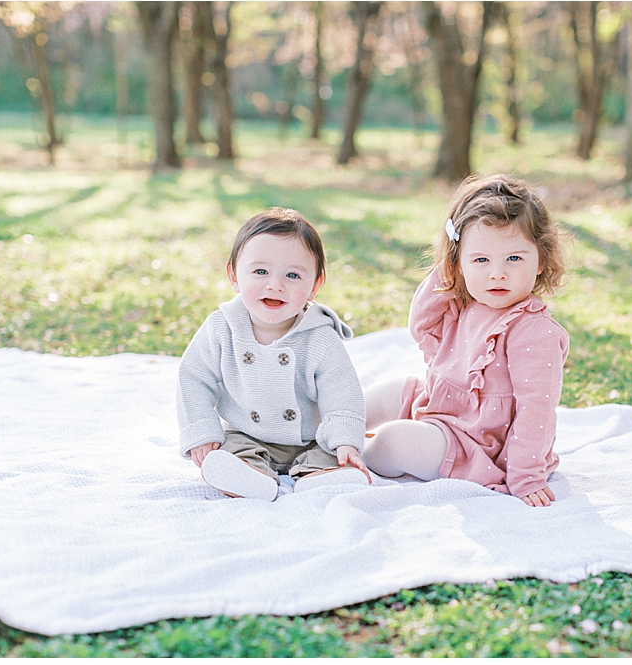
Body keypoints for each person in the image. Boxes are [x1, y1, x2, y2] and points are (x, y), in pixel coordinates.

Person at [362, 174, 569, 507]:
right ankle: (326, 427)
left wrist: (526, 474)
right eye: (481, 260)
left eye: (514, 258)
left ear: (541, 260)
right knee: (389, 391)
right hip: (437, 407)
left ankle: (353, 455)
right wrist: (450, 267)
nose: (497, 273)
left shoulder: (533, 331)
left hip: (477, 443)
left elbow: (537, 411)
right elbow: (420, 324)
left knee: (395, 440)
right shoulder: (466, 303)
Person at [177, 207, 370, 501]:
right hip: (246, 432)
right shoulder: (223, 327)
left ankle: (318, 476)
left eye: (293, 275)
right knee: (229, 451)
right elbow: (194, 377)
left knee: (329, 452)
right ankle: (249, 476)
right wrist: (202, 432)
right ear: (234, 275)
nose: (275, 285)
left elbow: (342, 393)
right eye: (260, 272)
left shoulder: (320, 336)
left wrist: (345, 442)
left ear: (315, 285)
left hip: (309, 437)